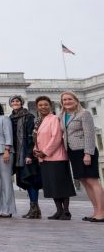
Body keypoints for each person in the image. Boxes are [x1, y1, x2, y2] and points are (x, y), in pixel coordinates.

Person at [59, 91, 104, 222]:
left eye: (69, 99)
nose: (67, 102)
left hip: (85, 151)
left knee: (92, 181)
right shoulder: (62, 115)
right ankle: (95, 210)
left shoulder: (84, 113)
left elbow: (90, 134)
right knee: (85, 182)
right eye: (64, 100)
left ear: (76, 100)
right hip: (73, 152)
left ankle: (102, 212)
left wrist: (88, 154)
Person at [33, 96, 75, 220]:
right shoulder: (39, 121)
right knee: (52, 185)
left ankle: (66, 211)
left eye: (45, 104)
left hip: (57, 157)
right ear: (37, 107)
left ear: (50, 106)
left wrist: (45, 152)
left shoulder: (55, 118)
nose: (43, 107)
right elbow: (37, 139)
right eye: (40, 105)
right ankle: (59, 210)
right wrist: (36, 151)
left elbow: (56, 137)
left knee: (62, 184)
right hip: (44, 158)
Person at [9, 95, 42, 219]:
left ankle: (35, 208)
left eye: (17, 101)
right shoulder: (11, 118)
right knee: (25, 181)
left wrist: (29, 154)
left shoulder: (29, 117)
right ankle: (33, 209)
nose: (15, 102)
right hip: (17, 154)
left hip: (27, 154)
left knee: (31, 180)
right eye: (13, 101)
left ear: (22, 103)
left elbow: (32, 137)